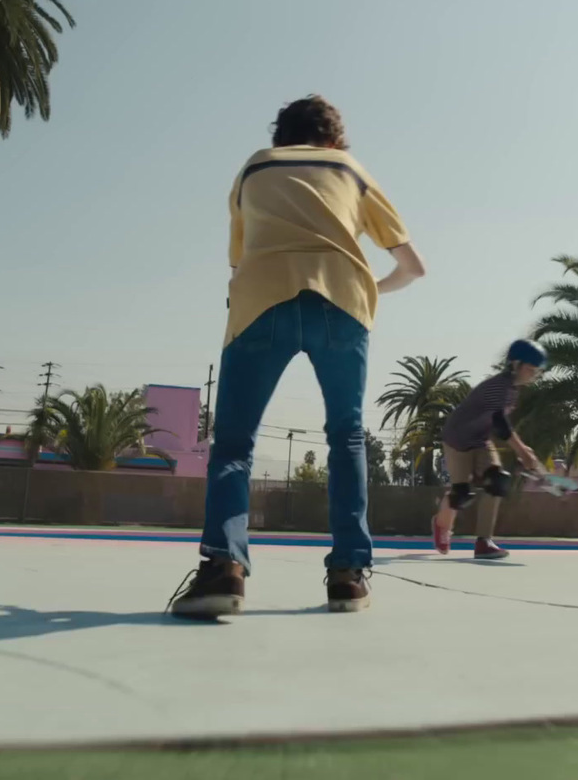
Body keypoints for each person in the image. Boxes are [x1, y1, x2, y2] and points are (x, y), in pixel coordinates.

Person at [169, 95, 425, 618]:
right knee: (347, 435)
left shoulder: (254, 167)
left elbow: (238, 259)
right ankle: (348, 577)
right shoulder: (349, 169)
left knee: (235, 443)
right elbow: (412, 266)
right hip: (342, 301)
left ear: (280, 136)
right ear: (334, 140)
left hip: (261, 298)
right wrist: (369, 289)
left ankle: (224, 570)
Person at [432, 340, 547, 559]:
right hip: (456, 438)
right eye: (531, 369)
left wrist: (523, 451)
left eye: (537, 370)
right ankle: (441, 525)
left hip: (480, 440)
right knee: (461, 495)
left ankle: (484, 542)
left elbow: (497, 424)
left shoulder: (513, 391)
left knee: (498, 480)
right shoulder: (498, 386)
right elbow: (500, 423)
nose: (534, 374)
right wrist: (522, 451)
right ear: (515, 364)